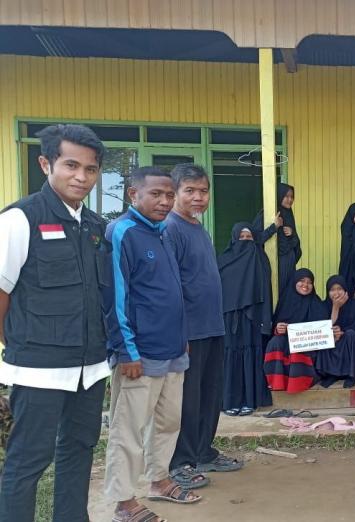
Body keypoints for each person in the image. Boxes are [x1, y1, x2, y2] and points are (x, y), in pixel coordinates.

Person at [0, 124, 110, 522]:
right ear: (46, 163)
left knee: (79, 450)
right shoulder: (19, 219)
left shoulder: (95, 227)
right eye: (71, 165)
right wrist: (19, 348)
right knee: (28, 460)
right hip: (39, 369)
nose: (81, 177)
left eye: (91, 169)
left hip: (91, 367)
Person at [103, 167, 200, 522]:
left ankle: (159, 480)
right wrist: (125, 350)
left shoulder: (163, 234)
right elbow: (114, 296)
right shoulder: (122, 232)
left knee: (167, 422)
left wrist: (182, 338)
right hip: (139, 354)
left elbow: (172, 293)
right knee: (127, 430)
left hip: (173, 350)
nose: (164, 201)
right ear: (133, 195)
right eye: (155, 194)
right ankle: (123, 502)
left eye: (168, 195)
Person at [164, 164, 242, 486]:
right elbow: (170, 286)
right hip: (189, 332)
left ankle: (204, 452)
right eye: (190, 191)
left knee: (211, 396)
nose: (199, 197)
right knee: (187, 400)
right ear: (176, 193)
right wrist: (178, 331)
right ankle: (180, 462)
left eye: (204, 191)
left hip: (212, 326)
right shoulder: (171, 228)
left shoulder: (198, 228)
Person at [217, 223, 273, 417]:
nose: (245, 240)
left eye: (249, 237)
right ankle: (229, 401)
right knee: (230, 357)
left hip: (252, 318)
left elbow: (266, 291)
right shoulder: (223, 261)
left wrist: (266, 319)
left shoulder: (259, 259)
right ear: (234, 238)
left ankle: (250, 400)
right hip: (228, 319)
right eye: (241, 236)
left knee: (250, 357)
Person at [264, 268, 328, 394]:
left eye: (309, 282)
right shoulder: (286, 300)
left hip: (307, 345)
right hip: (285, 340)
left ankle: (298, 382)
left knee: (297, 344)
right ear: (294, 282)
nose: (305, 285)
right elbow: (276, 324)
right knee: (275, 341)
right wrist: (278, 328)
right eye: (302, 281)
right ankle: (276, 382)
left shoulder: (316, 303)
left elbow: (323, 330)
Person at [315, 275, 355, 388]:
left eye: (339, 289)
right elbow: (321, 328)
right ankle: (331, 374)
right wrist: (335, 308)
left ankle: (352, 375)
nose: (336, 293)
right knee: (324, 335)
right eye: (332, 290)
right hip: (332, 342)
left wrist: (342, 331)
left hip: (348, 341)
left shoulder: (354, 304)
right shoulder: (323, 305)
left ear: (345, 290)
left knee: (351, 334)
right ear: (328, 292)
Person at [266, 183, 302, 299]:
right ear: (280, 196)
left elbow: (296, 243)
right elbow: (259, 235)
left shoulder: (289, 215)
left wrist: (292, 234)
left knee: (288, 293)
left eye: (292, 197)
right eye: (286, 196)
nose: (290, 200)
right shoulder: (269, 214)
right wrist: (275, 226)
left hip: (289, 262)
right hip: (277, 262)